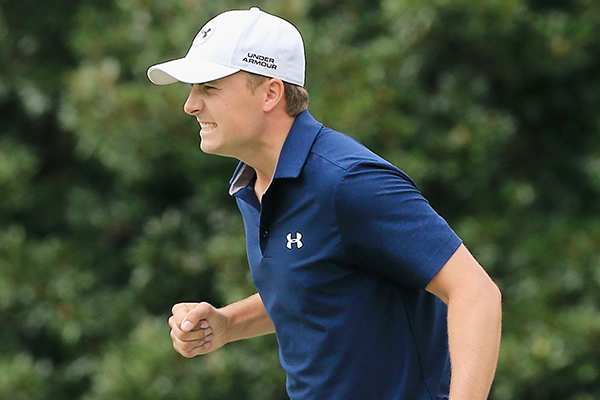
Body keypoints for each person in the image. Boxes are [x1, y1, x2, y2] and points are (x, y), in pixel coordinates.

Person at [147, 7, 502, 400]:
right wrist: (229, 323)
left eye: (208, 88)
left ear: (270, 93)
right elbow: (317, 284)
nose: (190, 104)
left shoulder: (350, 181)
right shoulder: (252, 183)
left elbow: (476, 292)